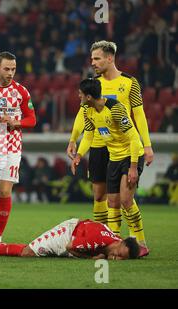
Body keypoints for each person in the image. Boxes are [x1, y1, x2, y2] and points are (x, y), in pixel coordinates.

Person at [67, 40, 154, 233]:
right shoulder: (93, 85)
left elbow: (138, 115)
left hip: (122, 146)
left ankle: (134, 238)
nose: (93, 63)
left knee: (124, 198)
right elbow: (83, 115)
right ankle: (104, 237)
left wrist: (146, 145)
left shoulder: (129, 82)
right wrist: (74, 139)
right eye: (92, 59)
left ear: (110, 58)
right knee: (99, 196)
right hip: (99, 144)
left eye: (97, 58)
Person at [71, 78, 149, 257]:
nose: (78, 96)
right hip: (114, 158)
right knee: (112, 202)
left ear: (89, 96)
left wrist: (133, 167)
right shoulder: (87, 110)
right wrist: (79, 155)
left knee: (126, 201)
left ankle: (141, 242)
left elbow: (134, 138)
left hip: (130, 156)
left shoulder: (115, 108)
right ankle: (115, 242)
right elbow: (89, 135)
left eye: (80, 94)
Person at [0, 51, 36, 245]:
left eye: (13, 69)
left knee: (5, 192)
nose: (10, 73)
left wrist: (15, 121)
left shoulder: (21, 91)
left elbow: (32, 119)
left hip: (11, 148)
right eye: (6, 69)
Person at [0, 218, 140, 260]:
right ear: (120, 243)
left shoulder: (116, 240)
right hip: (68, 233)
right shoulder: (98, 241)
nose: (116, 257)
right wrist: (92, 257)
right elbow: (71, 247)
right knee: (28, 253)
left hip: (79, 231)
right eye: (118, 253)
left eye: (121, 258)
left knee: (35, 253)